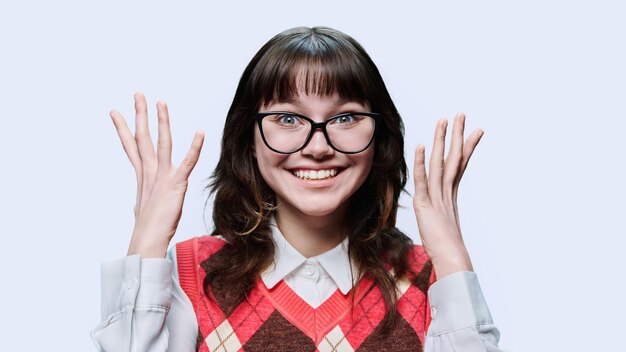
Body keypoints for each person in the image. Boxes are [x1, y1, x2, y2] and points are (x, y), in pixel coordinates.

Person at [91, 26, 501, 351]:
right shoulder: (191, 274)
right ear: (247, 138)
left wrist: (449, 255)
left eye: (345, 118)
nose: (318, 147)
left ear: (381, 137)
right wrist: (146, 243)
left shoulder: (431, 280)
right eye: (288, 119)